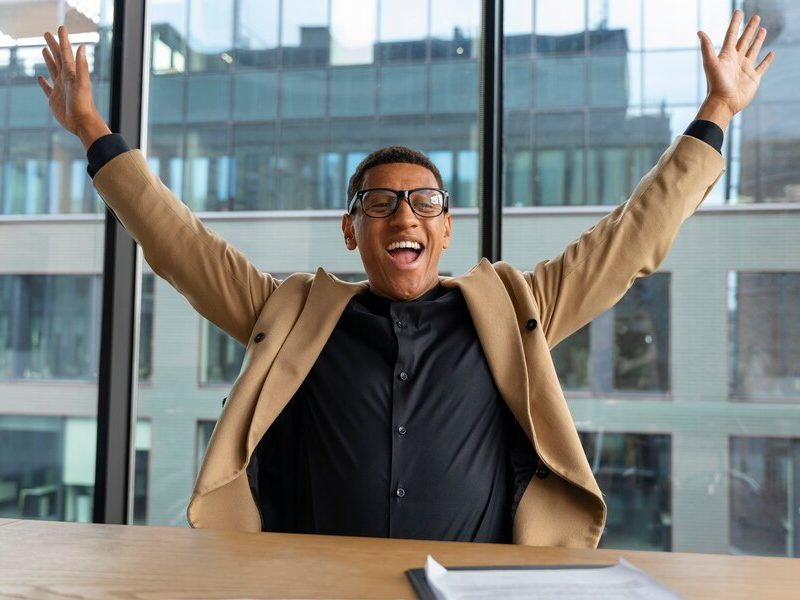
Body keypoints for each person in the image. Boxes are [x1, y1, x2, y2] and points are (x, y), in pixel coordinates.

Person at [38, 11, 774, 547]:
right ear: (351, 230)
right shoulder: (290, 314)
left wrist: (715, 112)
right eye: (379, 203)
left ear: (445, 229)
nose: (404, 217)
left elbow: (629, 242)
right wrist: (93, 131)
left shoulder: (517, 311)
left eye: (425, 202)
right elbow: (180, 245)